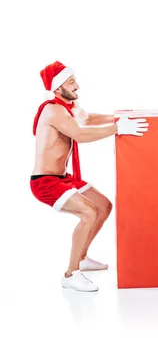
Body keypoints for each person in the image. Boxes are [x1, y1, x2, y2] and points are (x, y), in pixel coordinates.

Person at [31, 61, 149, 292]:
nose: (77, 86)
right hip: (46, 182)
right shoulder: (53, 109)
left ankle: (82, 257)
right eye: (71, 82)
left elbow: (89, 119)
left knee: (103, 206)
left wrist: (120, 117)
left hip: (63, 177)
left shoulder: (69, 107)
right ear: (57, 88)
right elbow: (79, 134)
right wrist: (118, 129)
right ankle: (70, 274)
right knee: (88, 212)